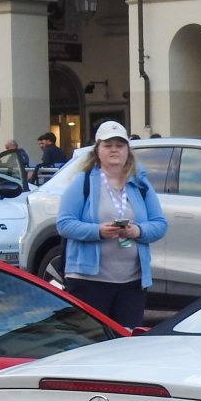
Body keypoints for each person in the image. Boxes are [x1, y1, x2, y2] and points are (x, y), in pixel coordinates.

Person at [55, 120, 168, 329]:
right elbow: (64, 223)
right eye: (107, 145)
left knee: (125, 341)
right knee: (93, 340)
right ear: (97, 151)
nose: (114, 150)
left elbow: (159, 224)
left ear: (128, 151)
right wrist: (98, 231)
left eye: (119, 145)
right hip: (89, 281)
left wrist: (137, 231)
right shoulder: (83, 181)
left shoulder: (140, 184)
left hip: (132, 283)